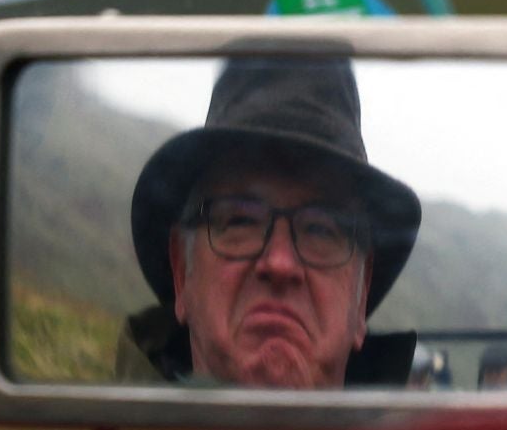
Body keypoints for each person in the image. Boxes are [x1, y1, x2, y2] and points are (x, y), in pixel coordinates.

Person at [116, 56, 422, 390]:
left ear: (361, 295)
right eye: (241, 221)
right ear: (181, 271)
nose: (279, 263)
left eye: (320, 229)